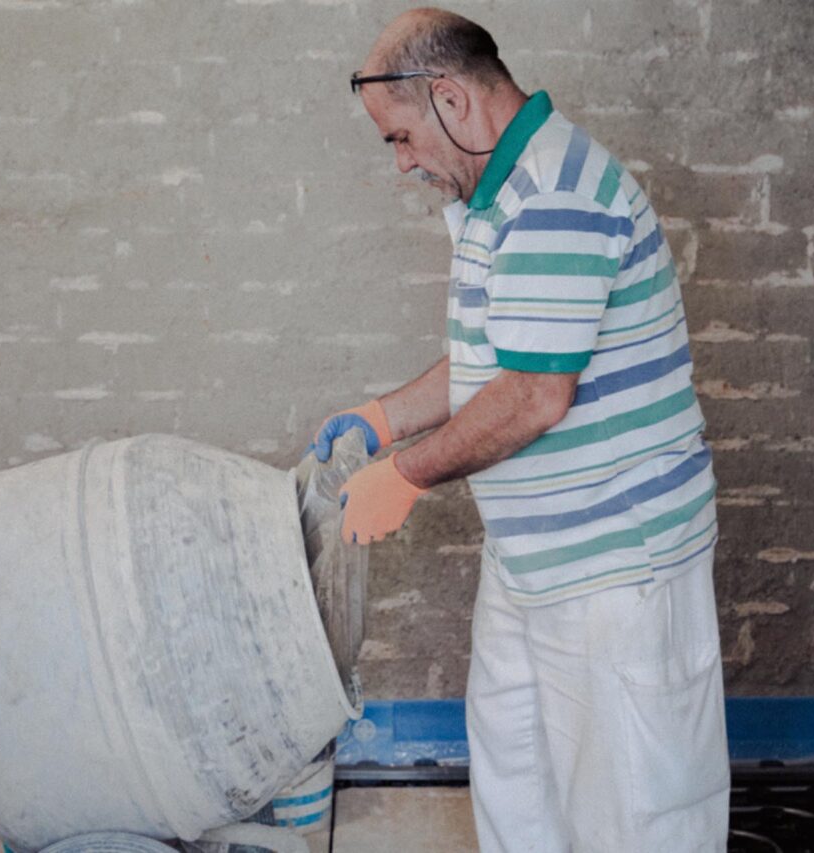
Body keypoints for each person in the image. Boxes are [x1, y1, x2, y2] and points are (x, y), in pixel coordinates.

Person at [311, 8, 730, 851]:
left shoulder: (556, 195)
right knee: (518, 780)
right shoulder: (501, 194)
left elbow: (537, 393)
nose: (402, 163)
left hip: (615, 568)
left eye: (399, 137)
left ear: (452, 100)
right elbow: (502, 362)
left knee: (634, 815)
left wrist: (408, 474)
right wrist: (384, 417)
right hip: (536, 561)